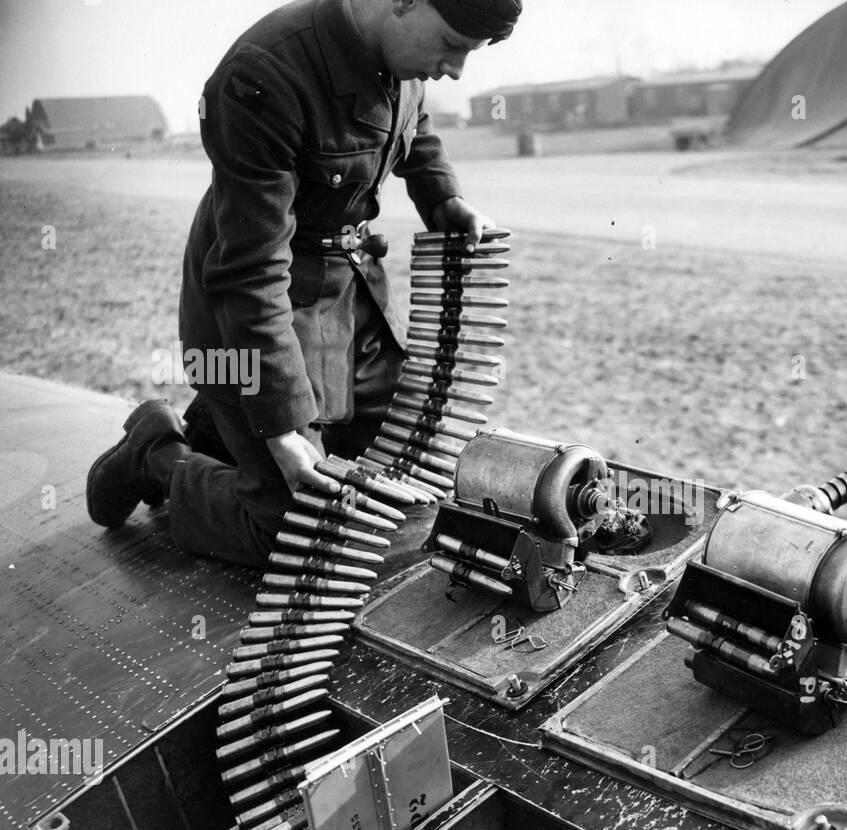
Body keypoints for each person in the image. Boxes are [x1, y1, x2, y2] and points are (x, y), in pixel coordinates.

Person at [86, 0, 522, 566]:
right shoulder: (263, 73)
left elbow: (411, 118)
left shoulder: (397, 52)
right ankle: (155, 452)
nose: (457, 71)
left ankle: (223, 428)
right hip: (252, 309)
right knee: (292, 526)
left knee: (401, 476)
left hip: (348, 296)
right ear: (405, 1)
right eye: (450, 46)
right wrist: (284, 428)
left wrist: (444, 198)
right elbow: (251, 273)